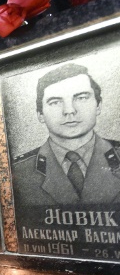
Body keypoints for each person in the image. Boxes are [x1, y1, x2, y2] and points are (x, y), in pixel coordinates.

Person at [13, 63, 120, 204]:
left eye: (81, 98)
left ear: (98, 106)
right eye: (55, 102)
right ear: (40, 114)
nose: (69, 110)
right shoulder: (17, 171)